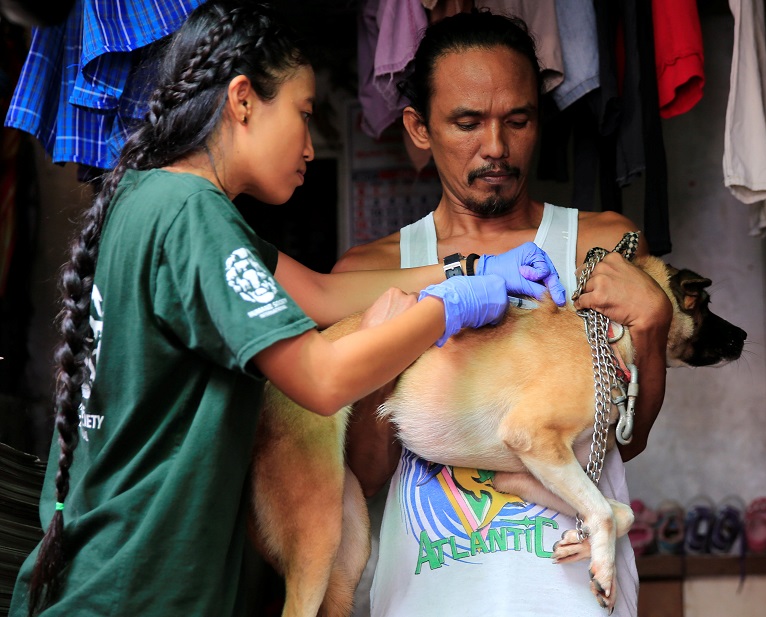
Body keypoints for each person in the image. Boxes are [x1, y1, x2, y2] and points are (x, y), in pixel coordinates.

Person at [8, 3, 569, 616]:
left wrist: (471, 267)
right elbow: (321, 382)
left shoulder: (149, 199)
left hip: (97, 581)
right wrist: (451, 308)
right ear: (243, 100)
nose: (310, 145)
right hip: (138, 592)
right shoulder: (191, 215)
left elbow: (324, 295)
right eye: (303, 115)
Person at [336, 10, 673, 617]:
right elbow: (362, 474)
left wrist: (652, 327)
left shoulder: (601, 247)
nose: (495, 147)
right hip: (430, 599)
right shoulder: (369, 275)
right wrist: (400, 339)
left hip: (575, 602)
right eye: (467, 123)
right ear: (418, 127)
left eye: (517, 120)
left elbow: (629, 439)